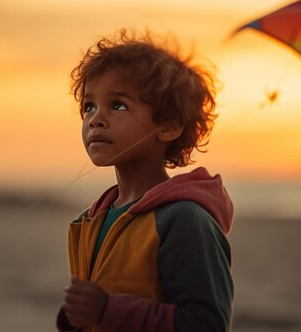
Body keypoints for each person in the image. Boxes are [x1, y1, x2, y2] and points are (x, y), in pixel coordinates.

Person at [57, 29, 234, 332]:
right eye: (89, 106)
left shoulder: (184, 219)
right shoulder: (91, 219)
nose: (95, 118)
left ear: (168, 126)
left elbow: (208, 324)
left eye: (118, 105)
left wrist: (107, 310)